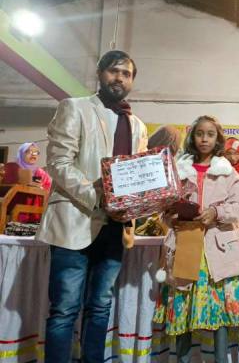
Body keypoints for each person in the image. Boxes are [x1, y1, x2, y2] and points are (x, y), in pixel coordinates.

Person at [36, 50, 148, 362]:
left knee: (100, 308)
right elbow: (58, 163)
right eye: (114, 71)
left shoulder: (138, 125)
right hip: (75, 221)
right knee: (64, 309)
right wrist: (97, 195)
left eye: (126, 74)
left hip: (115, 228)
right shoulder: (75, 107)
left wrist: (146, 200)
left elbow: (139, 175)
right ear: (100, 74)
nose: (120, 78)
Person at [154, 115, 239, 363]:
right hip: (185, 245)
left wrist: (216, 212)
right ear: (192, 137)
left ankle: (220, 359)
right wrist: (172, 218)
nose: (204, 139)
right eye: (200, 133)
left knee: (219, 312)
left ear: (217, 139)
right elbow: (164, 210)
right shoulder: (177, 171)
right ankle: (182, 359)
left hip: (217, 251)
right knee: (183, 307)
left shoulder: (228, 173)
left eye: (210, 134)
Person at [6, 142, 52, 223]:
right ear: (21, 153)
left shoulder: (41, 173)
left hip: (34, 215)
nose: (33, 155)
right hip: (11, 213)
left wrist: (40, 188)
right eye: (29, 152)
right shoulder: (13, 168)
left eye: (36, 152)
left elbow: (49, 189)